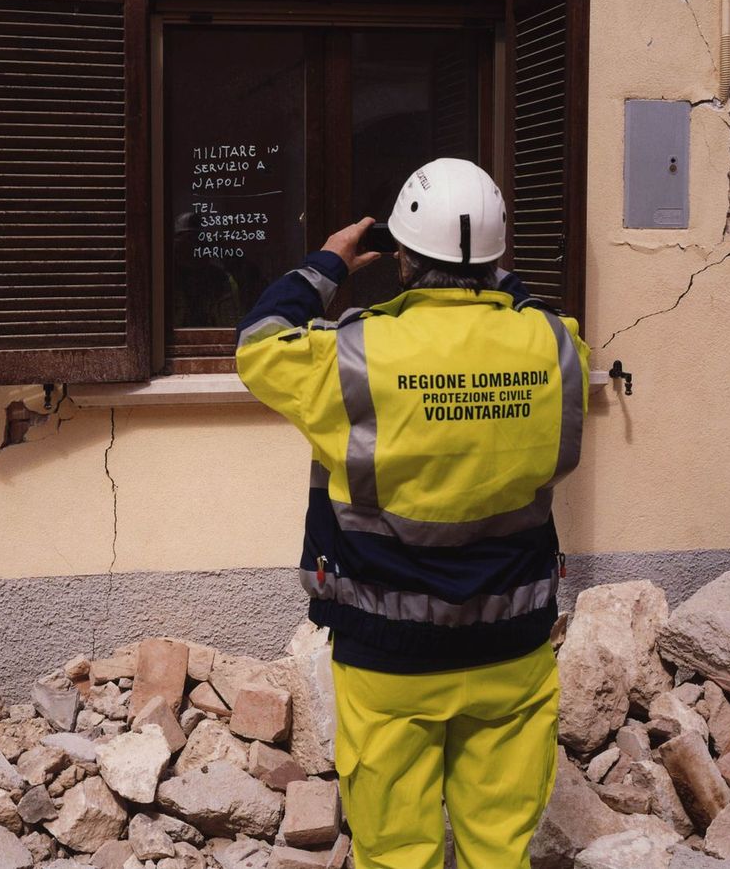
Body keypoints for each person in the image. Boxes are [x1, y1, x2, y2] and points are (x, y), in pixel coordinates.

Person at [234, 158, 590, 869]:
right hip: (511, 646)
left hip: (388, 653)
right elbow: (532, 313)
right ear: (498, 258)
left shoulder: (354, 355)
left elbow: (259, 342)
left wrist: (326, 265)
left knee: (397, 850)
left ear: (402, 255)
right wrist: (492, 272)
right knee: (500, 846)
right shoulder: (555, 348)